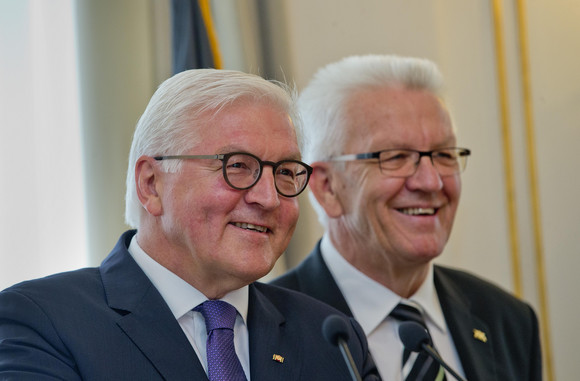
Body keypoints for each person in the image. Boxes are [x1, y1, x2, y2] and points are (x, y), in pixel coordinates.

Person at [0, 69, 380, 380]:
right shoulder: (42, 322)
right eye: (237, 166)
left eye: (284, 172)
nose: (269, 197)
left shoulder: (332, 336)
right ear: (152, 184)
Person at [272, 55, 542, 380]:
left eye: (443, 155)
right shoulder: (268, 332)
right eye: (396, 157)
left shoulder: (507, 319)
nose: (431, 182)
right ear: (327, 187)